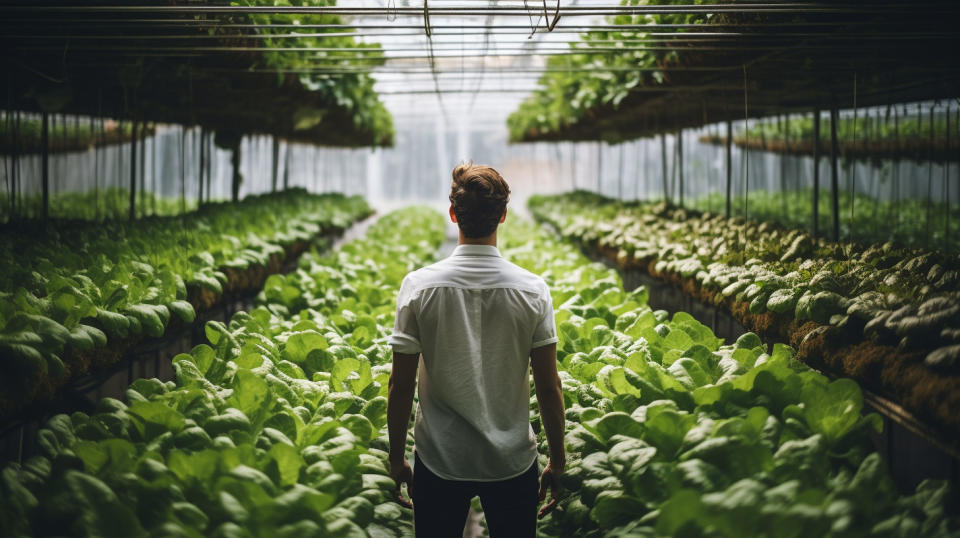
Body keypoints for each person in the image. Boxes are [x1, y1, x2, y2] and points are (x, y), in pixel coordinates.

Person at [387, 163, 566, 537]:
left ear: (453, 214)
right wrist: (558, 461)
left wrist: (396, 457)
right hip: (512, 461)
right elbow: (550, 388)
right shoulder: (533, 290)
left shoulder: (419, 287)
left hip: (439, 459)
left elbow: (399, 386)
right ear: (502, 216)